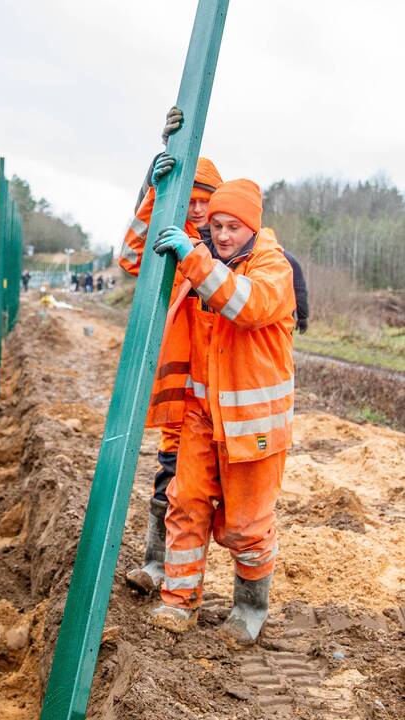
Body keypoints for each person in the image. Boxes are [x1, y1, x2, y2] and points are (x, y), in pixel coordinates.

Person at [149, 177, 296, 648]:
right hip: (201, 414)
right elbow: (134, 257)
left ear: (252, 227)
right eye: (216, 225)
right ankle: (178, 599)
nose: (224, 234)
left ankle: (250, 608)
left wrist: (195, 259)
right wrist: (155, 188)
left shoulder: (273, 266)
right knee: (186, 502)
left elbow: (247, 304)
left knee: (245, 525)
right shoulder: (204, 259)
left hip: (253, 426)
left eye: (234, 226)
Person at [119, 106, 224, 595]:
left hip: (224, 401)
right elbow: (130, 257)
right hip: (182, 396)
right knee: (168, 481)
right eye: (190, 198)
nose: (197, 209)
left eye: (205, 200)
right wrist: (155, 191)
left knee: (220, 501)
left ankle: (204, 582)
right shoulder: (171, 243)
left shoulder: (225, 251)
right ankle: (157, 566)